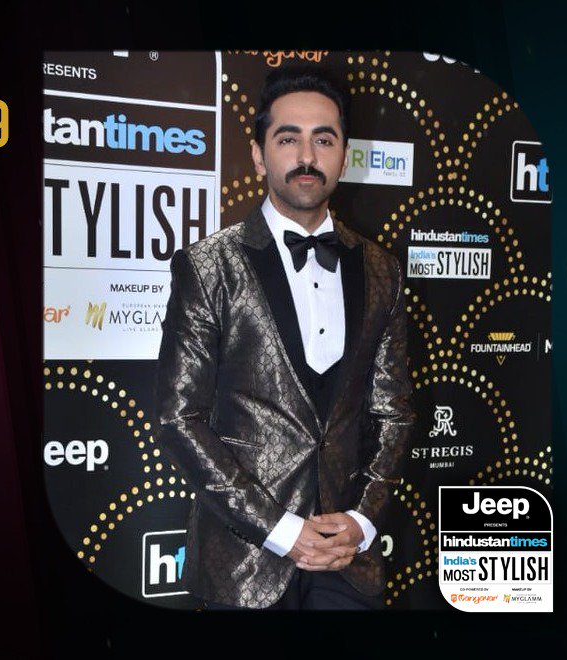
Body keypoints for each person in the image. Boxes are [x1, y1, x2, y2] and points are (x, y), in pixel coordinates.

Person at [155, 63, 414, 610]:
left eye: (324, 139)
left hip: (346, 559)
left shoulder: (382, 270)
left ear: (344, 155)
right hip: (245, 559)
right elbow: (180, 416)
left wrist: (363, 520)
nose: (307, 156)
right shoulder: (208, 267)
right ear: (258, 155)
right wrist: (279, 529)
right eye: (288, 138)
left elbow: (393, 413)